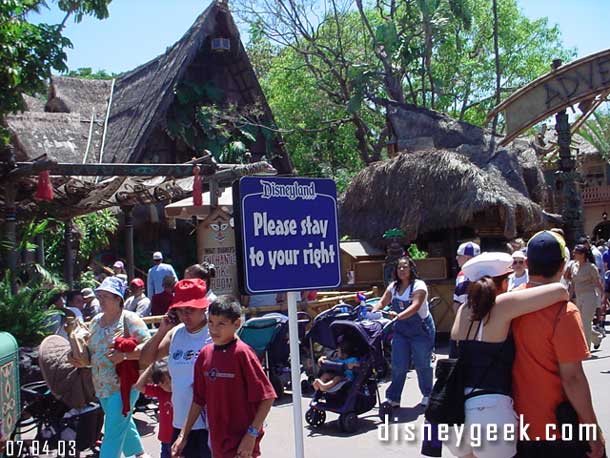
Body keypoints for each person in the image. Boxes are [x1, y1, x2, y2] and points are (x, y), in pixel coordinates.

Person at [446, 251, 570, 458]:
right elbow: (559, 290)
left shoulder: (463, 311)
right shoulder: (503, 306)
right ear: (503, 283)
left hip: (455, 412)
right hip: (491, 412)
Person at [512, 231, 606, 457]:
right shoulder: (564, 311)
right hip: (557, 427)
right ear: (563, 265)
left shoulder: (510, 305)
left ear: (526, 263)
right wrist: (593, 431)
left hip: (518, 425)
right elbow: (572, 378)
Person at [172, 295, 276, 458]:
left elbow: (267, 397)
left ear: (236, 324)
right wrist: (183, 436)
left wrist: (251, 435)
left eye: (221, 324)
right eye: (211, 323)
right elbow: (198, 400)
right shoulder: (205, 354)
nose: (214, 329)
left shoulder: (243, 353)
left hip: (242, 447)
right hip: (217, 444)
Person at [71, 276, 151, 458]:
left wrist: (124, 356)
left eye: (105, 296)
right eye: (99, 296)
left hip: (123, 385)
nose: (101, 300)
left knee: (113, 431)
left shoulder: (130, 319)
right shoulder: (95, 321)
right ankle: (139, 453)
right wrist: (81, 359)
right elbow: (93, 353)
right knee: (121, 421)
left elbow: (149, 348)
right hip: (101, 385)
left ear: (118, 299)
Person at [140, 279, 212, 458]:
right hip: (179, 422)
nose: (185, 315)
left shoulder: (214, 333)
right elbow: (146, 359)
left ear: (203, 308)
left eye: (191, 309)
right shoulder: (176, 333)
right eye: (181, 310)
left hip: (208, 424)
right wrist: (161, 331)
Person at [372, 256, 435, 407]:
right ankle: (393, 397)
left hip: (421, 330)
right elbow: (383, 301)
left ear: (411, 268)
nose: (401, 270)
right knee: (398, 364)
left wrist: (398, 315)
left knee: (422, 364)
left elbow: (415, 306)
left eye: (405, 266)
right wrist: (374, 310)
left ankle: (428, 394)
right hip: (401, 330)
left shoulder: (419, 285)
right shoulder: (393, 287)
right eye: (399, 267)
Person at [135, 360, 173, 458]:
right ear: (158, 384)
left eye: (170, 381)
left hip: (178, 437)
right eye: (163, 383)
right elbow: (139, 386)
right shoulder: (160, 392)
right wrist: (151, 366)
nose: (168, 385)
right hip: (165, 437)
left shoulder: (179, 390)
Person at [569, 244, 604, 350]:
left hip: (589, 296)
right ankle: (596, 338)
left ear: (583, 254)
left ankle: (586, 348)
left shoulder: (591, 267)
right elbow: (573, 283)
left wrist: (603, 298)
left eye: (577, 253)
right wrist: (569, 297)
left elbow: (598, 283)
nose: (574, 254)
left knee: (585, 321)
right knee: (581, 322)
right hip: (578, 297)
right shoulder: (574, 266)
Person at [453, 242, 481, 314]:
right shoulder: (460, 274)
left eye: (459, 256)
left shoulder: (483, 275)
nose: (456, 258)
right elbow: (456, 301)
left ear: (468, 258)